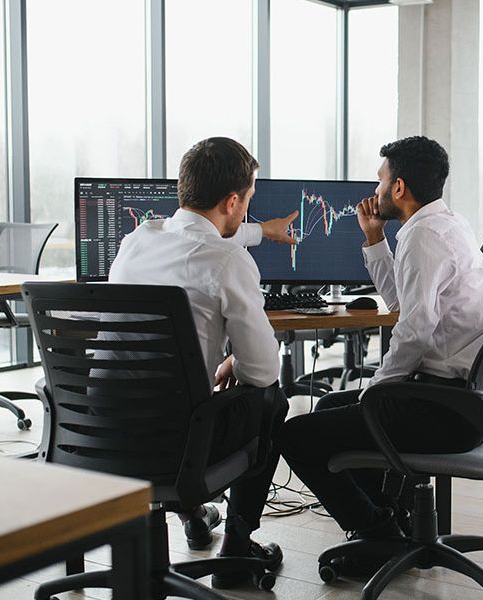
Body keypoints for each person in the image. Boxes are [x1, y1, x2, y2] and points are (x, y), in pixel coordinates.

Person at [278, 136, 483, 567]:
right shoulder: (446, 225)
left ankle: (378, 534)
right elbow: (403, 304)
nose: (375, 190)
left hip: (443, 409)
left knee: (294, 435)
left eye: (380, 180)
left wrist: (376, 390)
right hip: (462, 403)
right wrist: (375, 239)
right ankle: (385, 519)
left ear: (398, 188)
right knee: (328, 403)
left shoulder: (422, 239)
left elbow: (413, 332)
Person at [108, 137, 293, 589]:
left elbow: (207, 232)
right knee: (272, 399)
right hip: (179, 444)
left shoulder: (137, 240)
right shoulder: (229, 261)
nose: (247, 212)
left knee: (178, 398)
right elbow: (263, 372)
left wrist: (260, 230)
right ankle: (235, 548)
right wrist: (236, 362)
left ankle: (192, 514)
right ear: (232, 200)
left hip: (103, 435)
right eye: (247, 202)